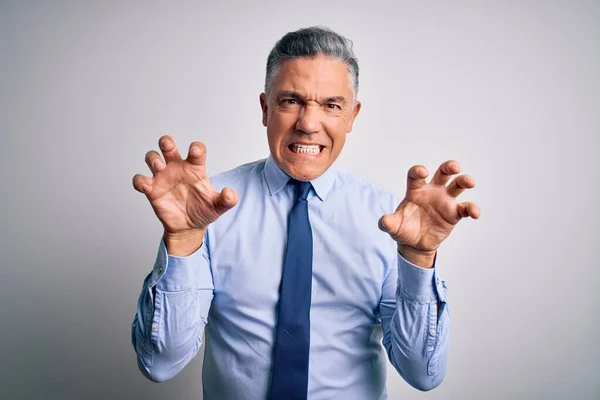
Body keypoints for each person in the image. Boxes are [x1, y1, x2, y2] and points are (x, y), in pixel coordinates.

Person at [131, 26, 480, 400]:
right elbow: (160, 364)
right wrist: (183, 243)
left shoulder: (392, 221)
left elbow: (422, 374)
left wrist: (419, 259)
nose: (309, 124)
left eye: (331, 105)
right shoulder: (207, 209)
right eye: (291, 101)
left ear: (352, 115)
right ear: (266, 108)